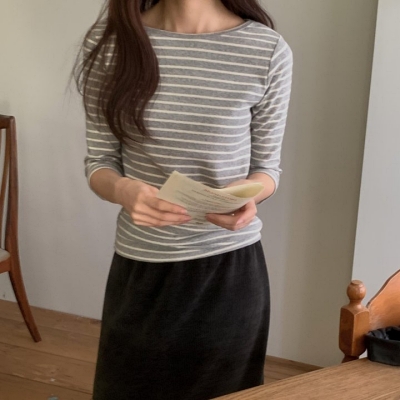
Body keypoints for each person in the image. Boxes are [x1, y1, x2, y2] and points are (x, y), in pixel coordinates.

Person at [74, 0, 293, 399]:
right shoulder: (112, 44)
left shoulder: (267, 49)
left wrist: (250, 195)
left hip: (228, 271)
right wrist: (124, 190)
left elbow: (267, 169)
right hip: (141, 267)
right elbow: (100, 162)